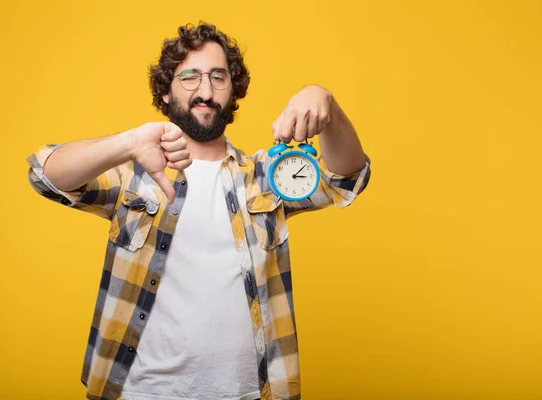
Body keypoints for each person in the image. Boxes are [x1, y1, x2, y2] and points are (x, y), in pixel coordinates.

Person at [27, 22, 371, 400]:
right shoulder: (133, 174)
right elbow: (46, 174)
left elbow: (345, 178)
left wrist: (326, 102)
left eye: (218, 78)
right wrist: (128, 143)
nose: (205, 91)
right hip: (142, 391)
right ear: (165, 90)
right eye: (189, 77)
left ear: (233, 91)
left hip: (248, 393)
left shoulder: (266, 177)